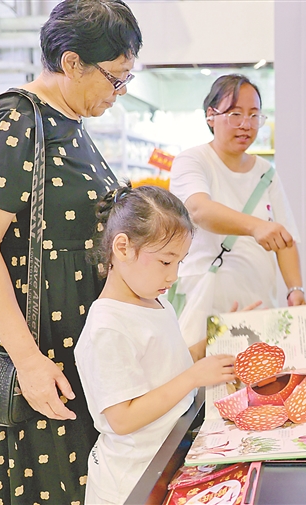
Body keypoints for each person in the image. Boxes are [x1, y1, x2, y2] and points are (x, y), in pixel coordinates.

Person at [0, 1, 142, 503]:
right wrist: (29, 362)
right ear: (73, 62)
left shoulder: (68, 123)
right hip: (39, 354)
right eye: (115, 78)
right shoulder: (16, 119)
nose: (119, 92)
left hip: (72, 347)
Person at [75, 185, 236, 505]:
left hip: (163, 463)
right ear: (123, 247)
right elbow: (122, 418)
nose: (173, 276)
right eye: (165, 262)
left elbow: (166, 366)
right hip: (130, 484)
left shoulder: (155, 301)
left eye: (179, 263)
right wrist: (194, 377)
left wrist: (215, 339)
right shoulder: (108, 327)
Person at [170, 74, 304, 348]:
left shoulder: (266, 173)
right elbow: (199, 209)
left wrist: (295, 289)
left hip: (258, 303)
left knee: (259, 372)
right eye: (235, 114)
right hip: (204, 303)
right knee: (206, 371)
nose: (246, 124)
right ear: (211, 116)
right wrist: (256, 226)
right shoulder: (192, 160)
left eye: (254, 115)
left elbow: (284, 238)